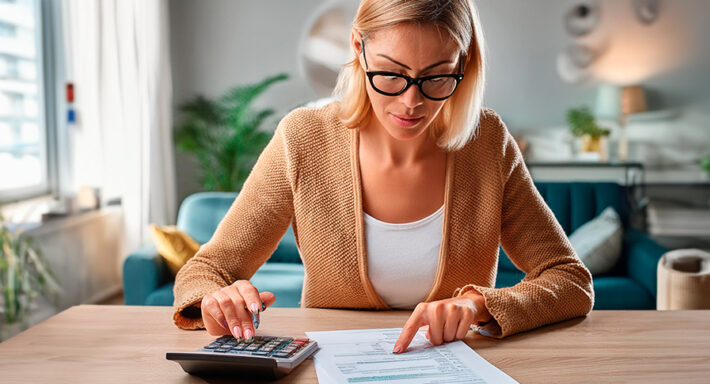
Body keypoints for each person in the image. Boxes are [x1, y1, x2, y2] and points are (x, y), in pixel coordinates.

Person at [172, 0, 594, 354]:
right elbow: (206, 269)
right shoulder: (304, 138)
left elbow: (569, 279)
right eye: (391, 74)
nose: (411, 102)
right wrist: (215, 299)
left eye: (435, 77)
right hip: (332, 368)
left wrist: (479, 306)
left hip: (454, 370)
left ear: (463, 64)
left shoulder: (487, 144)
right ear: (358, 47)